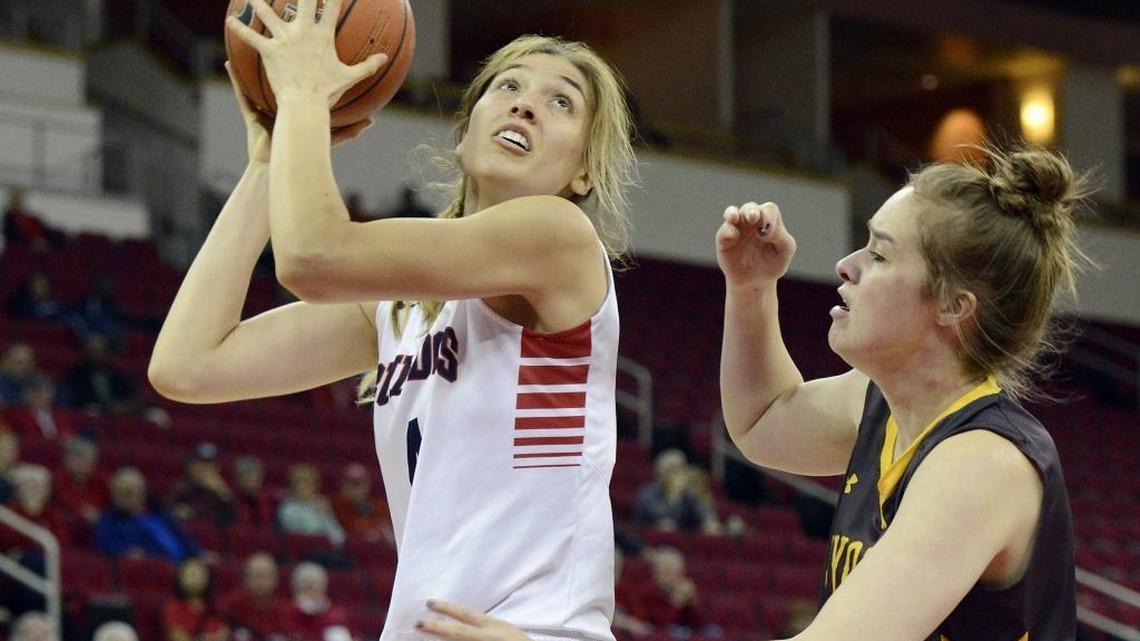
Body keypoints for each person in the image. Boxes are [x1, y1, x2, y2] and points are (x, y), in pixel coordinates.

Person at [151, 6, 634, 638]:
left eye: (561, 103)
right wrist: (268, 159)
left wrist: (301, 96)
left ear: (584, 172)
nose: (525, 105)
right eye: (507, 86)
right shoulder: (402, 308)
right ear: (465, 133)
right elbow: (188, 365)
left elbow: (311, 258)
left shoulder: (558, 237)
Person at [716, 146, 1083, 640]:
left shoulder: (983, 464)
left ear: (954, 305)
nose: (847, 266)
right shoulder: (880, 403)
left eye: (879, 253)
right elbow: (761, 420)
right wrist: (752, 289)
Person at [93, 466, 201, 562]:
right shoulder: (110, 520)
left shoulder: (158, 511)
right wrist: (125, 551)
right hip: (158, 567)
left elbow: (183, 537)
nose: (133, 496)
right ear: (115, 494)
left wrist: (200, 554)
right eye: (126, 492)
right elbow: (103, 544)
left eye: (137, 490)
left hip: (187, 565)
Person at [632, 449, 721, 534]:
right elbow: (667, 520)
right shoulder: (647, 494)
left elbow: (706, 515)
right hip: (652, 540)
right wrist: (674, 495)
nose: (680, 474)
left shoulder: (687, 493)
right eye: (674, 469)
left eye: (682, 469)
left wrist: (699, 495)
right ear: (661, 472)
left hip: (684, 540)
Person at [220, 552, 289, 641]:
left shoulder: (287, 610)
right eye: (255, 576)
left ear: (276, 579)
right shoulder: (230, 606)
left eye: (265, 576)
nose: (260, 582)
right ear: (245, 579)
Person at [166, 441, 237, 528]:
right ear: (191, 466)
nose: (205, 470)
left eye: (210, 465)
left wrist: (223, 494)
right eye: (200, 464)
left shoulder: (223, 493)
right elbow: (166, 514)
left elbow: (234, 522)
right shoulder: (181, 489)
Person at [276, 464, 345, 548]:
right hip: (303, 553)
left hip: (325, 551)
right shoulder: (287, 508)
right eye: (299, 484)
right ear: (293, 487)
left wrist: (325, 516)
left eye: (309, 484)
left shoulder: (321, 505)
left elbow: (339, 538)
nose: (303, 488)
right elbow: (300, 538)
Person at [162, 557, 230, 641]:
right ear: (180, 578)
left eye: (198, 574)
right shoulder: (173, 607)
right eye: (190, 574)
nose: (194, 578)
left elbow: (225, 634)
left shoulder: (217, 606)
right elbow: (177, 637)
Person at [285, 562, 350, 641]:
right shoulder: (287, 612)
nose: (314, 590)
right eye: (308, 586)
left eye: (318, 585)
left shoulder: (334, 615)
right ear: (296, 588)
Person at [329, 462, 392, 543]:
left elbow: (386, 532)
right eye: (349, 483)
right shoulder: (336, 506)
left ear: (367, 485)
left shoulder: (380, 507)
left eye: (357, 484)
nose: (353, 489)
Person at [53, 436, 110, 524]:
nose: (79, 463)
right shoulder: (56, 481)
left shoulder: (102, 481)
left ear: (93, 463)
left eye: (84, 459)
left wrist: (100, 516)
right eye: (75, 458)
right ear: (66, 461)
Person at [231, 456, 276, 528]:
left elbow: (267, 521)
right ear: (237, 479)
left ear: (261, 477)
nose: (250, 478)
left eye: (253, 474)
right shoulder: (230, 499)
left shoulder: (272, 498)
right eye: (245, 475)